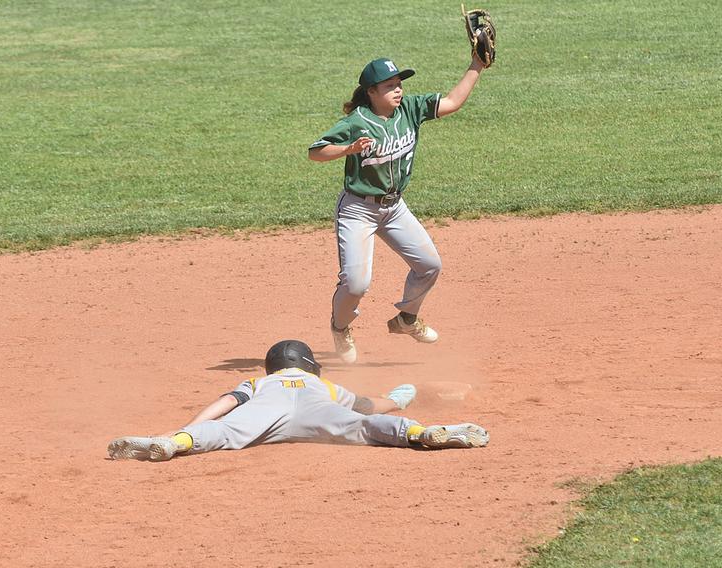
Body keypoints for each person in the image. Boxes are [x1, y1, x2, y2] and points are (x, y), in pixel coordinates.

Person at [308, 54, 488, 364]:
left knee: (429, 265)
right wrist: (347, 149)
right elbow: (316, 152)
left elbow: (452, 103)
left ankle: (407, 319)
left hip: (394, 208)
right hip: (357, 210)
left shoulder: (410, 109)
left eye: (399, 84)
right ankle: (340, 327)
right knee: (356, 284)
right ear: (371, 92)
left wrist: (477, 66)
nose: (398, 90)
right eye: (390, 86)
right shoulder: (357, 122)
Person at [107, 340, 488, 462]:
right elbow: (368, 409)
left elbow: (223, 404)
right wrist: (398, 399)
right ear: (310, 365)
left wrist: (187, 428)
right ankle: (424, 432)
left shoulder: (258, 382)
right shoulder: (322, 386)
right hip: (318, 414)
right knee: (366, 429)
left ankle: (172, 444)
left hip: (264, 415)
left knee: (221, 432)